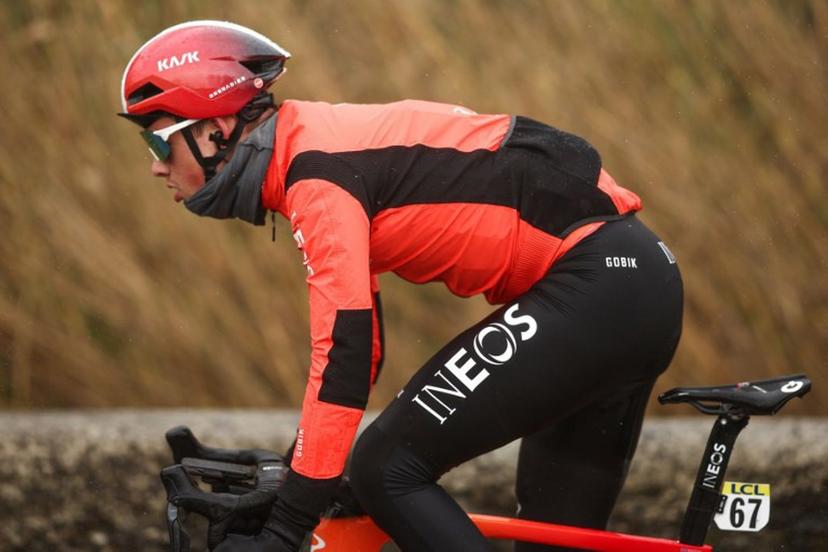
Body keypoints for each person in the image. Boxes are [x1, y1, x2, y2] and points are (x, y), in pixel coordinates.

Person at [119, 20, 683, 552]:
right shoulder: (317, 146)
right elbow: (363, 355)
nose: (154, 167)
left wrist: (289, 526)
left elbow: (344, 352)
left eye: (158, 143)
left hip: (597, 286)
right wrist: (300, 474)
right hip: (634, 285)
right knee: (547, 538)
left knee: (383, 467)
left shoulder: (315, 173)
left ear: (216, 132)